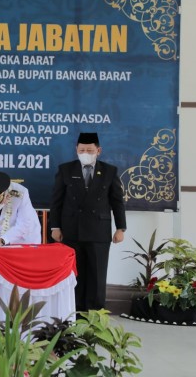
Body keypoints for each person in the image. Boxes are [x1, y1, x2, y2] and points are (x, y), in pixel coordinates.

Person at [49, 132, 126, 311]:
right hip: (71, 230)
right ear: (76, 150)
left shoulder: (109, 171)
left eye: (89, 150)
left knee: (97, 274)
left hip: (98, 230)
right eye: (82, 149)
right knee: (74, 273)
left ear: (98, 150)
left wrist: (121, 228)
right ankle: (73, 310)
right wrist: (55, 226)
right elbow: (56, 201)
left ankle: (96, 313)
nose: (85, 152)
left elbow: (117, 201)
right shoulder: (65, 169)